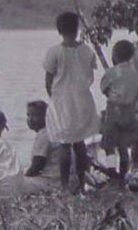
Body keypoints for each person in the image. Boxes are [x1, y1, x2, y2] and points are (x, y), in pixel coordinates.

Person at [43, 11, 100, 192]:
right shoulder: (87, 51)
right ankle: (82, 182)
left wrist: (55, 99)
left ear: (59, 30)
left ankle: (65, 185)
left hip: (63, 100)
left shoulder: (54, 52)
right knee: (79, 142)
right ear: (77, 29)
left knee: (65, 144)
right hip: (82, 99)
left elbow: (48, 81)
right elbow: (90, 75)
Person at [99, 40, 138, 180]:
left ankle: (112, 170)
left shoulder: (111, 72)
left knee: (110, 144)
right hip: (130, 111)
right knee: (123, 143)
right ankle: (124, 173)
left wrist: (112, 94)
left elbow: (104, 88)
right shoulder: (136, 74)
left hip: (115, 110)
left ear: (115, 56)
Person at [21, 100, 62, 195]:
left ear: (46, 117)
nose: (30, 119)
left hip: (51, 183)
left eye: (34, 115)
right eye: (28, 115)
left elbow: (37, 166)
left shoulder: (44, 135)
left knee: (13, 183)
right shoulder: (52, 131)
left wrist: (24, 177)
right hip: (59, 179)